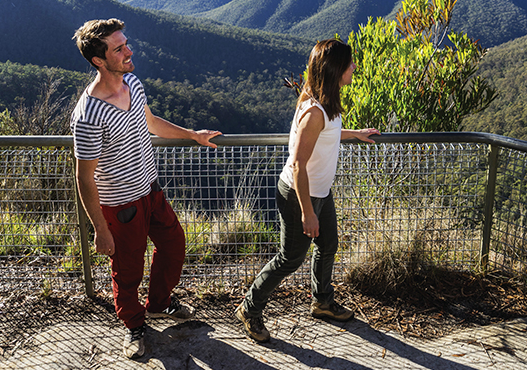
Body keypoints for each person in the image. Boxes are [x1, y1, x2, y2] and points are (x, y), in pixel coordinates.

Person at [70, 18, 222, 359]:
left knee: (174, 244)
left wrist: (193, 135)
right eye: (119, 49)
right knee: (127, 270)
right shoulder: (89, 114)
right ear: (98, 60)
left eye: (126, 44)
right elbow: (83, 176)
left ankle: (159, 303)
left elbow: (151, 122)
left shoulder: (133, 83)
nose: (129, 51)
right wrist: (100, 230)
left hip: (150, 191)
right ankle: (134, 326)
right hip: (119, 206)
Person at [235, 38, 379, 343]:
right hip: (300, 195)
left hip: (320, 192)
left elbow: (328, 134)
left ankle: (322, 302)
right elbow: (298, 164)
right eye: (349, 63)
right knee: (290, 258)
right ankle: (250, 308)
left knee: (328, 245)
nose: (354, 67)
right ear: (335, 69)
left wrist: (357, 134)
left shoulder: (324, 101)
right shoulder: (313, 111)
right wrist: (307, 212)